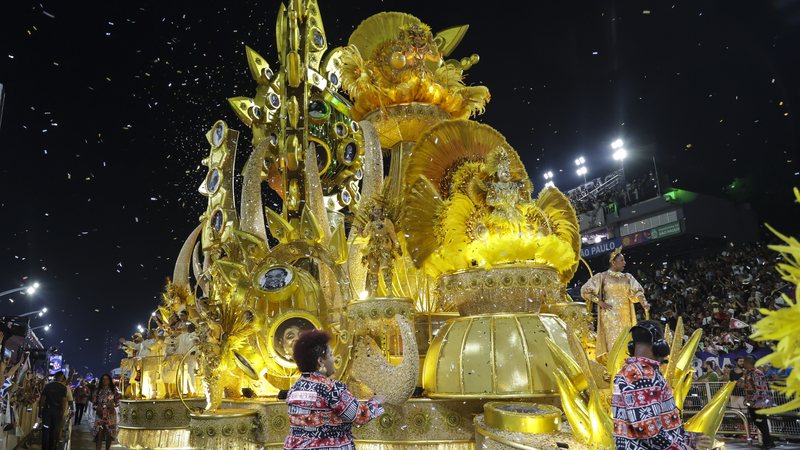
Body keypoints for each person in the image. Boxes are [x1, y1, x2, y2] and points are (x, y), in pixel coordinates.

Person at [611, 320, 709, 450]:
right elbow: (647, 429)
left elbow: (659, 423)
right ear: (660, 346)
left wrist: (690, 439)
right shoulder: (640, 374)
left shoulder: (635, 371)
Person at [284, 330, 384, 450]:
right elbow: (360, 416)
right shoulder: (331, 388)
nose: (333, 359)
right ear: (321, 361)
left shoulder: (294, 389)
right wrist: (378, 401)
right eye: (330, 355)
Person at [581, 247, 650, 360]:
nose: (625, 262)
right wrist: (600, 302)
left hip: (625, 315)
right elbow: (585, 291)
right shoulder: (601, 277)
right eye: (622, 260)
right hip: (609, 316)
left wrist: (644, 303)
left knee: (627, 340)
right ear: (613, 262)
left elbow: (637, 291)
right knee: (613, 342)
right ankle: (614, 367)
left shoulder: (628, 277)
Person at [738, 355, 775, 448]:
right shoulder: (747, 373)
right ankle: (770, 441)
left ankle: (767, 443)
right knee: (757, 422)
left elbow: (760, 389)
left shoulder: (757, 373)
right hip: (752, 403)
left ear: (749, 362)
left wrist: (752, 401)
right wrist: (742, 377)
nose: (743, 363)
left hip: (759, 403)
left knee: (761, 423)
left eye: (744, 361)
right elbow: (740, 385)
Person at [39, 371, 68, 450]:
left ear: (55, 376)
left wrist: (40, 410)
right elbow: (64, 402)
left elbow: (42, 399)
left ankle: (44, 448)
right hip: (57, 411)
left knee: (45, 430)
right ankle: (51, 446)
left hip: (47, 411)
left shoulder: (48, 386)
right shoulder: (63, 388)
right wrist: (62, 413)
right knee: (53, 430)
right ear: (62, 377)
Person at [92, 373, 121, 450]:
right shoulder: (97, 391)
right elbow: (93, 403)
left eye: (107, 379)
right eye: (103, 379)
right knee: (99, 433)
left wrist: (113, 406)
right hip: (100, 415)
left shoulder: (114, 390)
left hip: (110, 415)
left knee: (109, 434)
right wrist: (97, 408)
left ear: (109, 380)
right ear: (101, 380)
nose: (105, 381)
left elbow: (118, 402)